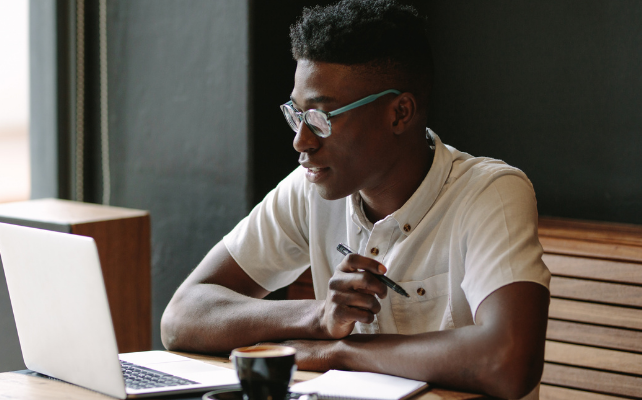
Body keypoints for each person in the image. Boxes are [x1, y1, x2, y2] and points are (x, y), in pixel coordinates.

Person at [161, 1, 550, 399]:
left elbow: (508, 361)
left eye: (321, 118)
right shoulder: (310, 188)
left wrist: (339, 350)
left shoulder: (490, 193)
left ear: (400, 113)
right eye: (297, 114)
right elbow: (182, 317)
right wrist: (317, 317)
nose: (301, 141)